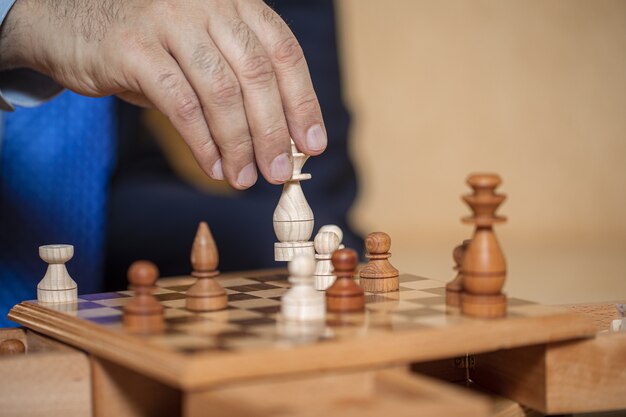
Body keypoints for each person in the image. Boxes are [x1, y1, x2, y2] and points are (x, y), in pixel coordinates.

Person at [0, 0, 360, 326]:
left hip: (104, 173)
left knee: (307, 254)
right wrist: (17, 18)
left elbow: (298, 25)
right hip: (53, 170)